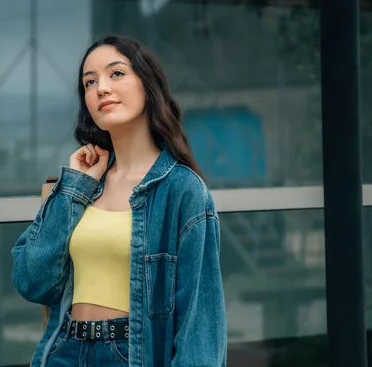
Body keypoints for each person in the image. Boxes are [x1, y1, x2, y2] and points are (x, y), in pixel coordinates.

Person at [12, 35, 226, 366]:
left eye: (116, 74)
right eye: (89, 81)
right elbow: (32, 281)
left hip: (130, 354)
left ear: (147, 85)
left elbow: (199, 322)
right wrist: (75, 187)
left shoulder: (182, 190)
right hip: (64, 350)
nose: (101, 88)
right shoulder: (83, 185)